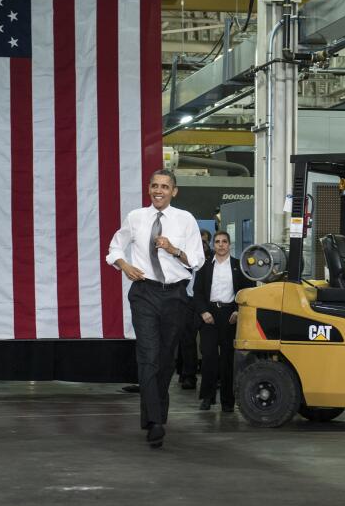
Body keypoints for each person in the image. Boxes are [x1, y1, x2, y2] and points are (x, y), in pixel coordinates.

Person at [106, 170, 205, 448]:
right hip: (144, 293)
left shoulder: (185, 220)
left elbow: (197, 261)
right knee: (147, 356)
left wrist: (174, 250)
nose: (158, 190)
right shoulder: (136, 217)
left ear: (174, 191)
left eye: (164, 186)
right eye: (154, 186)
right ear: (149, 189)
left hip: (174, 295)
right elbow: (114, 248)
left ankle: (154, 416)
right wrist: (124, 265)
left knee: (165, 359)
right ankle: (156, 422)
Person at [193, 230, 253, 412]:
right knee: (209, 358)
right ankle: (207, 398)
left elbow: (247, 292)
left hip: (230, 316)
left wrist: (237, 311)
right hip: (209, 316)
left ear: (229, 245)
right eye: (217, 241)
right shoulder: (205, 267)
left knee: (228, 360)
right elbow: (197, 293)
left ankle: (228, 401)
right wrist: (203, 312)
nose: (220, 244)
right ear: (214, 245)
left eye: (224, 241)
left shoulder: (238, 266)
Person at [176, 229, 214, 390]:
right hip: (188, 301)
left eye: (205, 241)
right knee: (187, 340)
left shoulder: (213, 259)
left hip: (207, 303)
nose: (202, 243)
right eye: (200, 240)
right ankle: (189, 376)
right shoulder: (186, 256)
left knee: (208, 343)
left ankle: (212, 376)